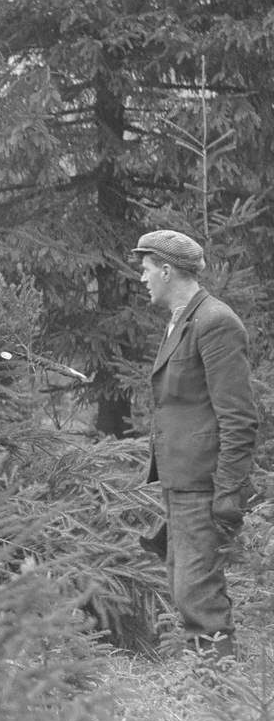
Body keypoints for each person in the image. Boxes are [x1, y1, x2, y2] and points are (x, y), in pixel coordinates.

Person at [133, 229, 258, 659]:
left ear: (167, 270)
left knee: (198, 592)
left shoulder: (215, 322)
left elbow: (239, 419)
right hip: (181, 480)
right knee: (184, 585)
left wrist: (227, 495)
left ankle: (217, 694)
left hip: (203, 485)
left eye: (147, 269)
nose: (142, 277)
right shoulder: (181, 321)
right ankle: (205, 683)